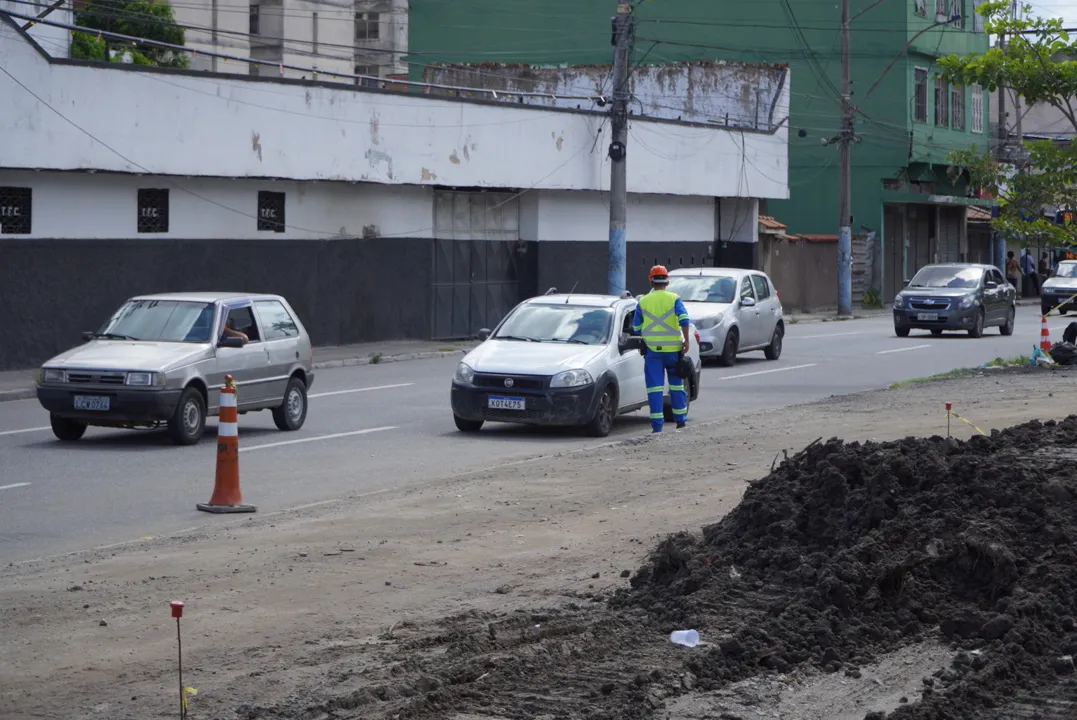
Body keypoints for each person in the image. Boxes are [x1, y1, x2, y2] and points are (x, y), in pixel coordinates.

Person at [632, 265, 690, 433]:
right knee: (677, 386)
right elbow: (684, 320)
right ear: (667, 281)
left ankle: (657, 426)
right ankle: (681, 421)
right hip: (673, 350)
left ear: (651, 280)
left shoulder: (642, 301)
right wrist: (686, 341)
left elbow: (636, 328)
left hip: (653, 352)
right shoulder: (674, 298)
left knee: (655, 388)